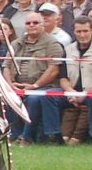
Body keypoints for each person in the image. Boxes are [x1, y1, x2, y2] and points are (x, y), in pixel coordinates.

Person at [6, 12, 64, 143]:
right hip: (17, 85)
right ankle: (12, 134)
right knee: (6, 96)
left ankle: (26, 137)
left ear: (42, 25)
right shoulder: (16, 44)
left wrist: (34, 86)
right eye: (28, 23)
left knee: (34, 98)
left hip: (44, 87)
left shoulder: (52, 43)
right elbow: (6, 66)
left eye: (35, 23)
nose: (31, 25)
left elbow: (54, 69)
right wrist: (10, 85)